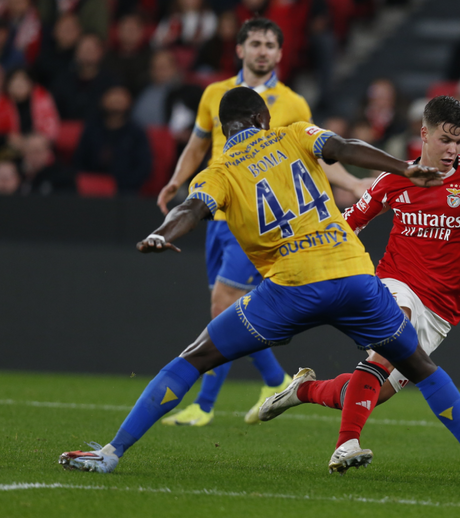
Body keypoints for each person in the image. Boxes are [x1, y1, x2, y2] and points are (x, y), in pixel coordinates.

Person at [58, 87, 460, 490]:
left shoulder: (219, 172)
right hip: (355, 277)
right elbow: (346, 148)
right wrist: (401, 168)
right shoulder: (296, 132)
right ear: (265, 118)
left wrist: (164, 232)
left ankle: (112, 453)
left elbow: (191, 209)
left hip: (291, 288)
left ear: (224, 130)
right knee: (424, 370)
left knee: (195, 358)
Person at [258, 96, 460, 463]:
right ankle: (346, 445)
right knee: (394, 328)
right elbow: (351, 220)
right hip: (394, 284)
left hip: (442, 309)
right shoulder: (395, 178)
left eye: (459, 141)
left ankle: (303, 390)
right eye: (445, 139)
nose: (452, 149)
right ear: (424, 134)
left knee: (373, 391)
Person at [154, 18, 375, 427]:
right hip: (217, 215)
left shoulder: (293, 103)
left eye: (270, 45)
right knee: (225, 309)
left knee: (223, 306)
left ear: (279, 53)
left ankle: (203, 406)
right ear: (239, 49)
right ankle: (276, 379)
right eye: (255, 42)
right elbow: (198, 144)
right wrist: (176, 181)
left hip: (259, 220)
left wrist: (352, 181)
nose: (262, 50)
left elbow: (312, 163)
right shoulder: (215, 94)